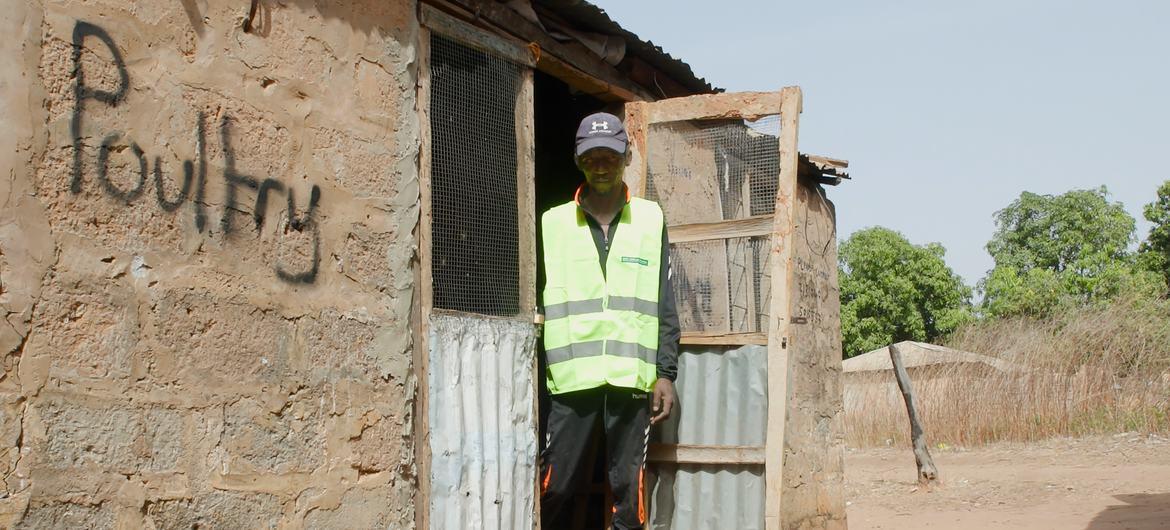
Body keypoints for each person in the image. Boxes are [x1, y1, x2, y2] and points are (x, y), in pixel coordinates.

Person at [538, 112, 680, 530]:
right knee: (557, 488)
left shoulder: (651, 219)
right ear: (578, 160)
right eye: (592, 158)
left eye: (610, 158)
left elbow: (665, 302)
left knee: (628, 498)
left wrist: (665, 373)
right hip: (570, 382)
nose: (601, 167)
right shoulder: (553, 223)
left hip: (630, 381)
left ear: (626, 156)